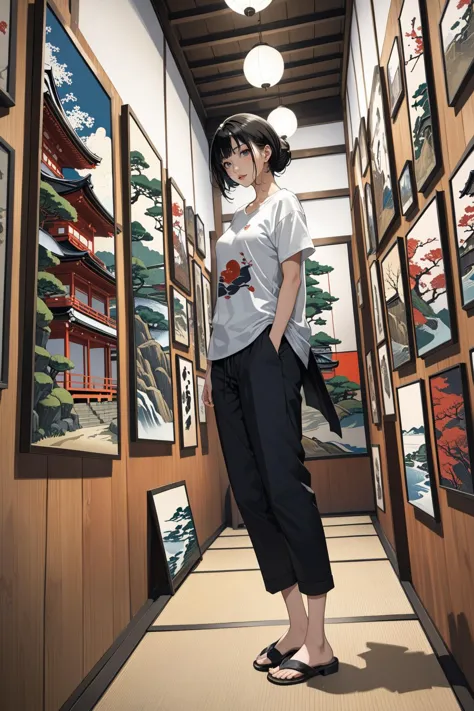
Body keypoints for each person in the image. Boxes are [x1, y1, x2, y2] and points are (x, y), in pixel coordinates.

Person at [202, 113, 341, 687]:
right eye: (224, 158)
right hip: (227, 358)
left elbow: (292, 277)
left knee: (285, 484)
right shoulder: (237, 217)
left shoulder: (285, 204)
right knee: (251, 492)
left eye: (236, 153)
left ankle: (320, 640)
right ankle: (292, 627)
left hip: (267, 348)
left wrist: (276, 342)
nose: (230, 165)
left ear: (262, 150)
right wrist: (215, 364)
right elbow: (225, 291)